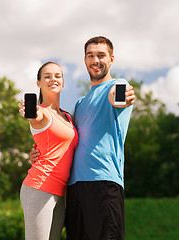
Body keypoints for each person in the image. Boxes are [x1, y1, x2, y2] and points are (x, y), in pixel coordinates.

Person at [30, 36, 135, 240]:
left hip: (104, 183)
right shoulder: (80, 103)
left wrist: (124, 98)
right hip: (75, 189)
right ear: (85, 60)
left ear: (111, 59)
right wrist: (39, 153)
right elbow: (68, 142)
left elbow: (120, 98)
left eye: (101, 55)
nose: (95, 60)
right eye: (90, 55)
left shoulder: (118, 85)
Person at [18, 62, 78, 240]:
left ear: (63, 81)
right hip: (40, 187)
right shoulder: (42, 113)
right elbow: (36, 117)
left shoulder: (69, 117)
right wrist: (31, 114)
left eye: (58, 76)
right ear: (38, 83)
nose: (53, 79)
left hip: (61, 193)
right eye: (47, 76)